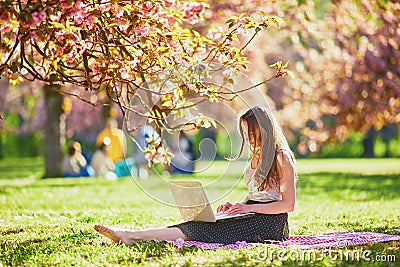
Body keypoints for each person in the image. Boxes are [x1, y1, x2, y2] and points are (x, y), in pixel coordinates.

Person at [94, 106, 297, 245]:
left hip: (270, 223)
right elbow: (257, 194)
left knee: (200, 229)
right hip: (251, 213)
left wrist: (247, 208)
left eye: (252, 132)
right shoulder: (257, 154)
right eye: (246, 132)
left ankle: (130, 236)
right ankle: (131, 235)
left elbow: (288, 205)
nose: (248, 137)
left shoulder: (281, 157)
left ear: (265, 130)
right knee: (198, 224)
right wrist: (237, 206)